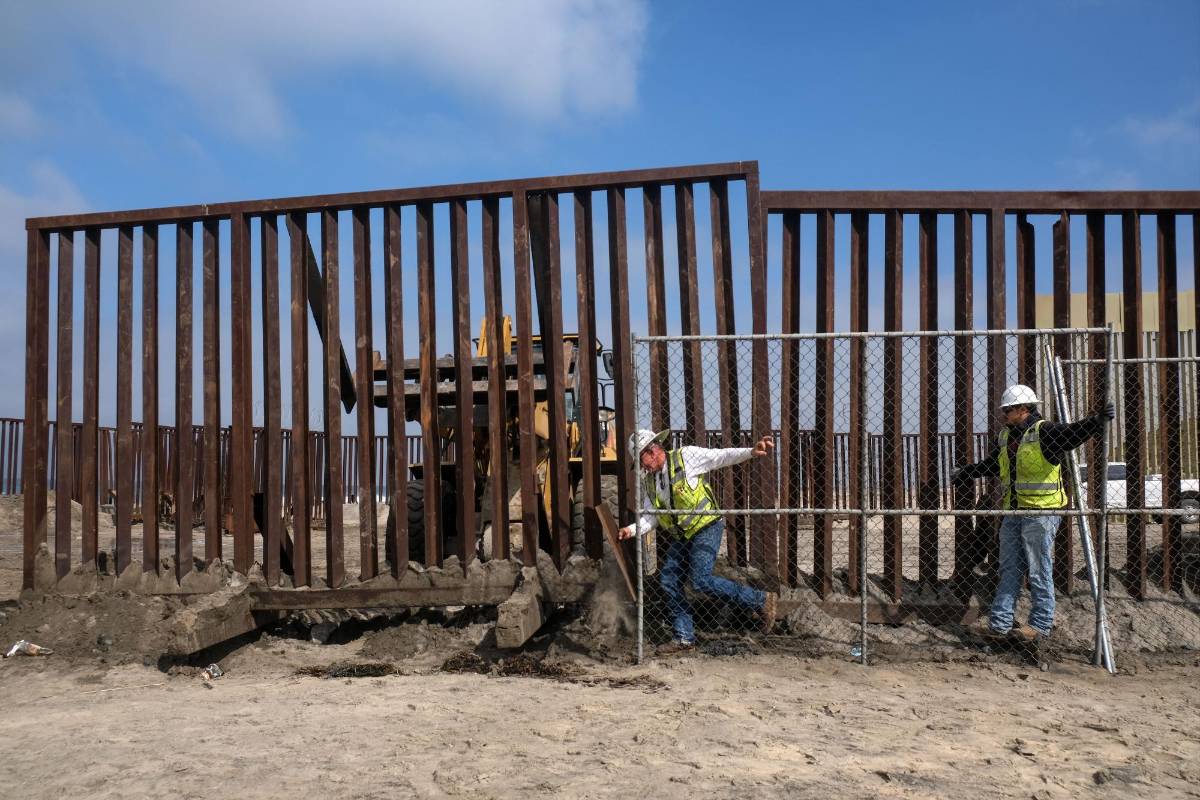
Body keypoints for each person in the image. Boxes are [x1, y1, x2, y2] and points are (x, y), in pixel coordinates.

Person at [954, 384, 1114, 642]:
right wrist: (967, 473)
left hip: (1041, 512)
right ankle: (1000, 624)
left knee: (1039, 569)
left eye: (1008, 410)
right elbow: (993, 464)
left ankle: (1039, 625)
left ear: (1024, 409)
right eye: (1004, 410)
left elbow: (1073, 433)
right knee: (1009, 568)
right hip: (1014, 513)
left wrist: (1096, 421)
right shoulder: (1006, 437)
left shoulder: (1045, 432)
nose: (1003, 414)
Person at [619, 429, 779, 654]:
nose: (642, 467)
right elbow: (650, 516)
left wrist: (751, 452)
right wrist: (631, 530)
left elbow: (720, 457)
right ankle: (684, 639)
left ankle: (760, 600)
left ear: (652, 450)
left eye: (641, 460)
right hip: (684, 535)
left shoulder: (686, 457)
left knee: (700, 580)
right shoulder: (651, 482)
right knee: (669, 580)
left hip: (707, 526)